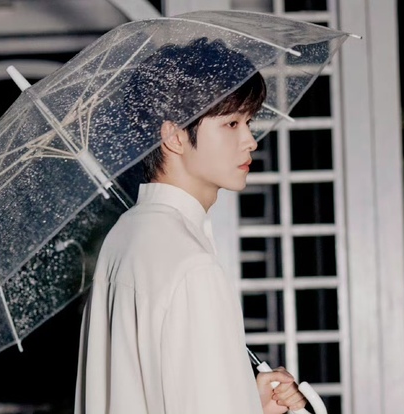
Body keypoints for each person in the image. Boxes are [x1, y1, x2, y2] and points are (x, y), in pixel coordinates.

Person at [75, 37, 306, 414]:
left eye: (248, 122)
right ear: (175, 136)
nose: (250, 141)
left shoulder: (125, 236)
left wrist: (248, 402)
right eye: (231, 123)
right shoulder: (192, 266)